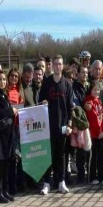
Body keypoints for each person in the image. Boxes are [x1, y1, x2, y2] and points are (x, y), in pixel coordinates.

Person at [38, 55, 74, 194]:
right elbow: (40, 102)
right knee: (49, 155)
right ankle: (47, 183)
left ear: (62, 65)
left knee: (61, 155)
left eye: (60, 64)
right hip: (48, 126)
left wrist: (69, 124)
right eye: (55, 64)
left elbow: (71, 107)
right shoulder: (46, 83)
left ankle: (61, 182)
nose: (58, 66)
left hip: (63, 126)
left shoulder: (67, 84)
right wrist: (43, 103)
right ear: (52, 66)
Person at [0, 71, 17, 203]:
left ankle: (5, 190)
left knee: (7, 164)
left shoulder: (4, 94)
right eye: (0, 79)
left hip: (8, 134)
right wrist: (10, 111)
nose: (3, 82)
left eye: (4, 80)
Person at [84, 80, 103, 185]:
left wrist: (102, 130)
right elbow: (93, 118)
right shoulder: (89, 101)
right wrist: (99, 131)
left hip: (100, 133)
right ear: (91, 90)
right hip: (93, 133)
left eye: (98, 90)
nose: (97, 92)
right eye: (94, 89)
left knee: (101, 155)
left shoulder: (99, 102)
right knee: (93, 157)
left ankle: (102, 176)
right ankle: (92, 177)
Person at [6, 68, 24, 195]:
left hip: (20, 127)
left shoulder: (20, 92)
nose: (14, 78)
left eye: (16, 76)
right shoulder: (5, 91)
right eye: (12, 76)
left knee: (20, 156)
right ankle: (11, 185)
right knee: (11, 157)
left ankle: (20, 183)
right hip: (9, 128)